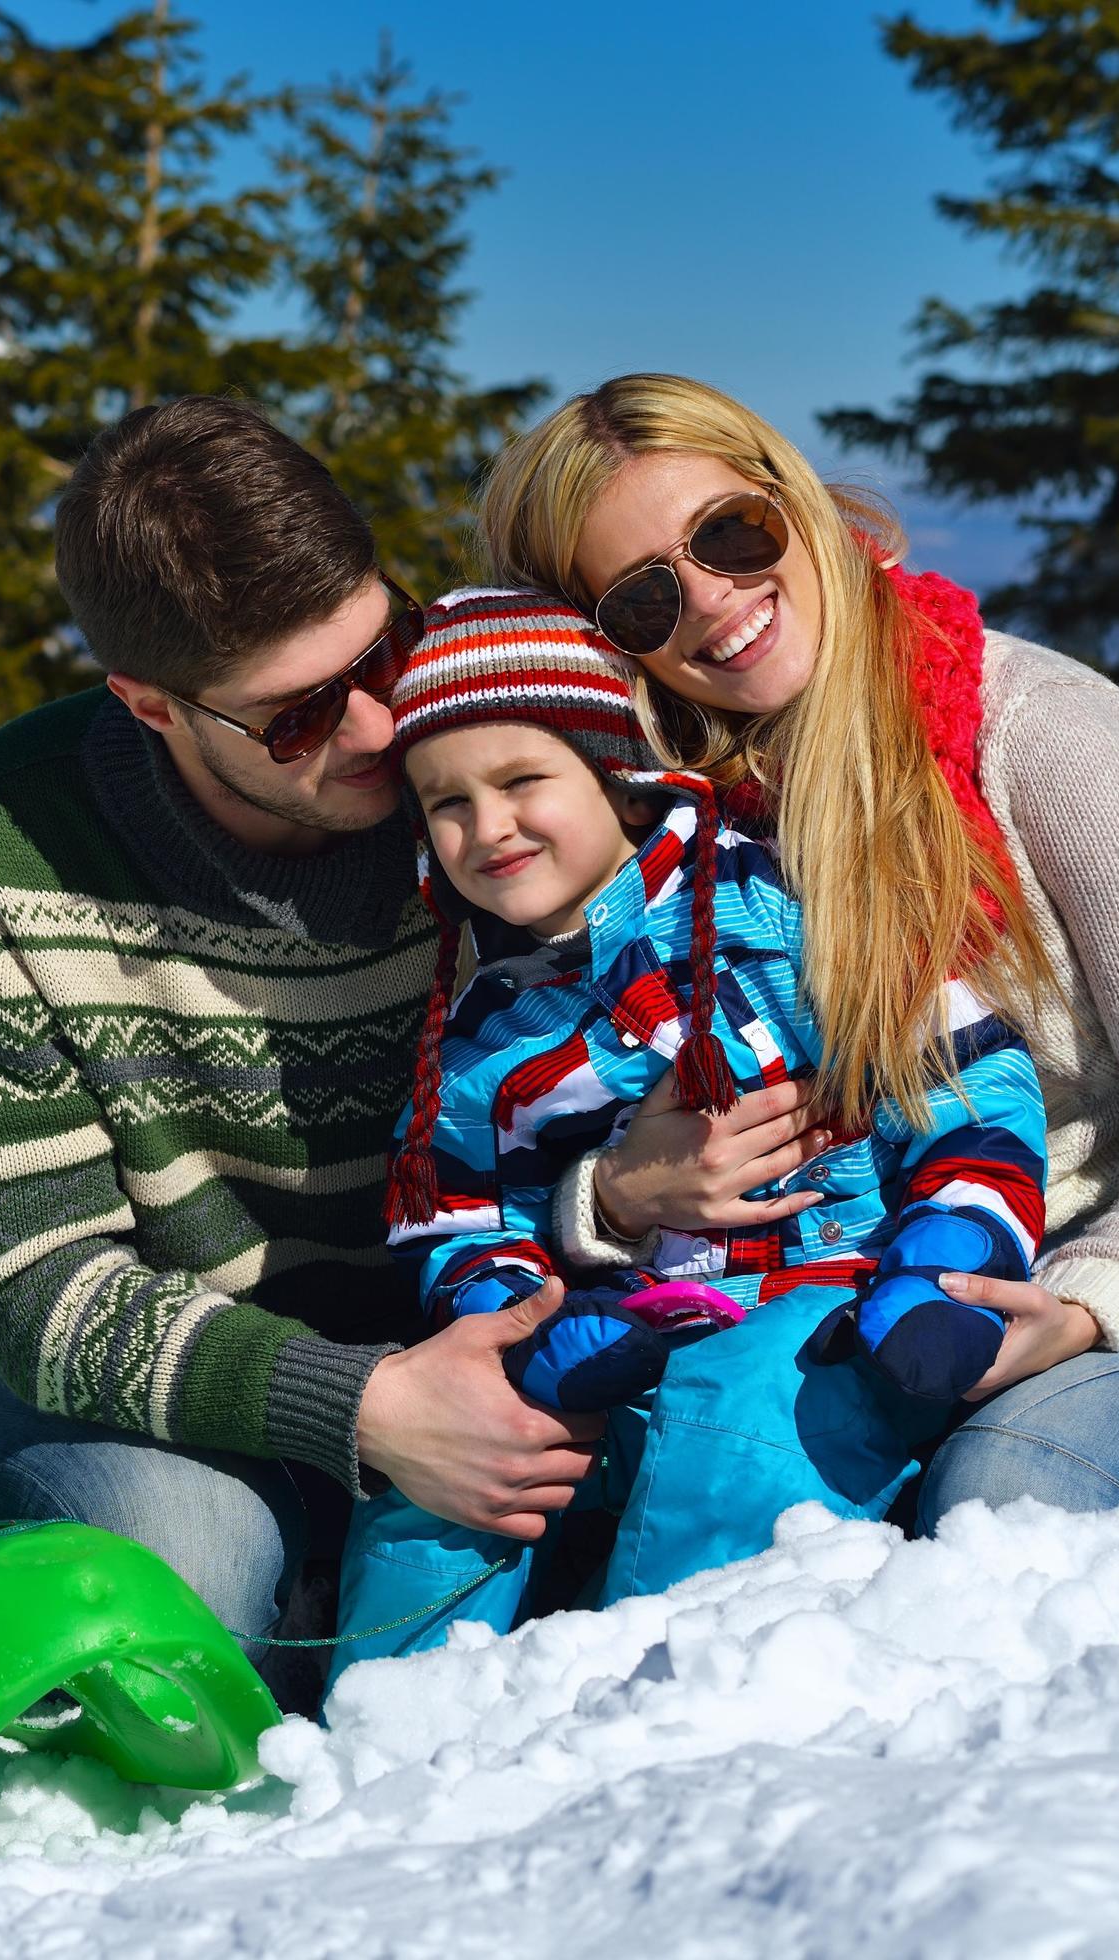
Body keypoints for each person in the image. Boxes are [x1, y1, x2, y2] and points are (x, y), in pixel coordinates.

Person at [477, 375, 1119, 1529]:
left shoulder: (1039, 733)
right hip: (889, 1287)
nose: (711, 602)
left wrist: (1090, 1299)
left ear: (788, 497)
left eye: (729, 534)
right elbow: (519, 1119)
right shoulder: (663, 839)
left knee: (1000, 1501)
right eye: (643, 601)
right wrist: (612, 1195)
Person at [0, 396, 604, 1697]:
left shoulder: (480, 760)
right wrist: (362, 1411)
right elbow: (33, 1289)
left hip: (441, 1327)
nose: (376, 730)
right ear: (152, 707)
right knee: (188, 1569)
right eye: (298, 718)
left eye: (385, 654)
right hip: (66, 1376)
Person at [329, 590, 1049, 1670]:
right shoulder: (485, 1034)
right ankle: (386, 1722)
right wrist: (524, 1326)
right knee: (444, 1471)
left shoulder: (783, 918)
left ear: (614, 771)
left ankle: (659, 1691)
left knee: (737, 1405)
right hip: (608, 1355)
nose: (487, 829)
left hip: (829, 1323)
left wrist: (937, 1268)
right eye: (445, 804)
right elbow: (456, 1214)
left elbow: (971, 1093)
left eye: (521, 781)